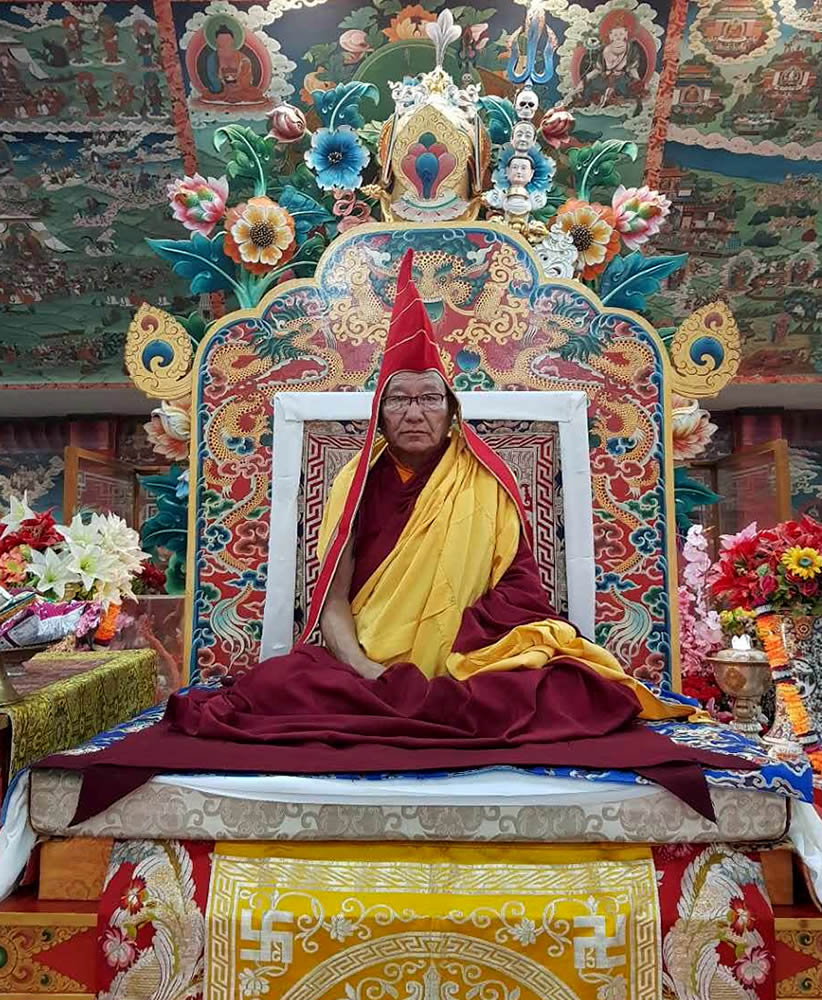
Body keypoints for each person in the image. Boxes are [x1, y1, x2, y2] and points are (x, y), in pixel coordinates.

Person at [37, 250, 753, 825]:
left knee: (565, 689)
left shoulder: (486, 480)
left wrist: (463, 652)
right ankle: (387, 697)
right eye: (399, 398)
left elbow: (522, 593)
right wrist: (369, 670)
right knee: (270, 689)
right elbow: (336, 601)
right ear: (379, 413)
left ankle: (437, 696)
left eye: (428, 397)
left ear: (452, 408)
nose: (414, 410)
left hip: (474, 659)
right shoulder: (354, 480)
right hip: (367, 658)